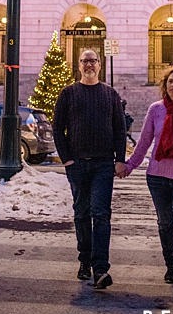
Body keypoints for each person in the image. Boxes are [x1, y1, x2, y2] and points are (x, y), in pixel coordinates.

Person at [118, 67, 173, 297]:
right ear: (165, 86)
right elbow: (145, 141)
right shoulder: (155, 110)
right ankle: (171, 267)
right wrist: (130, 165)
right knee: (165, 224)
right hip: (157, 178)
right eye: (170, 82)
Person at [53, 49, 127, 290]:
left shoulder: (110, 94)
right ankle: (84, 261)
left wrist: (119, 159)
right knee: (82, 214)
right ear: (78, 65)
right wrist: (66, 159)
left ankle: (100, 268)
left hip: (103, 164)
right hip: (77, 164)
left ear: (100, 65)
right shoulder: (68, 93)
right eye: (84, 61)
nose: (89, 65)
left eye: (93, 61)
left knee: (101, 214)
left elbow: (119, 129)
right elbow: (57, 129)